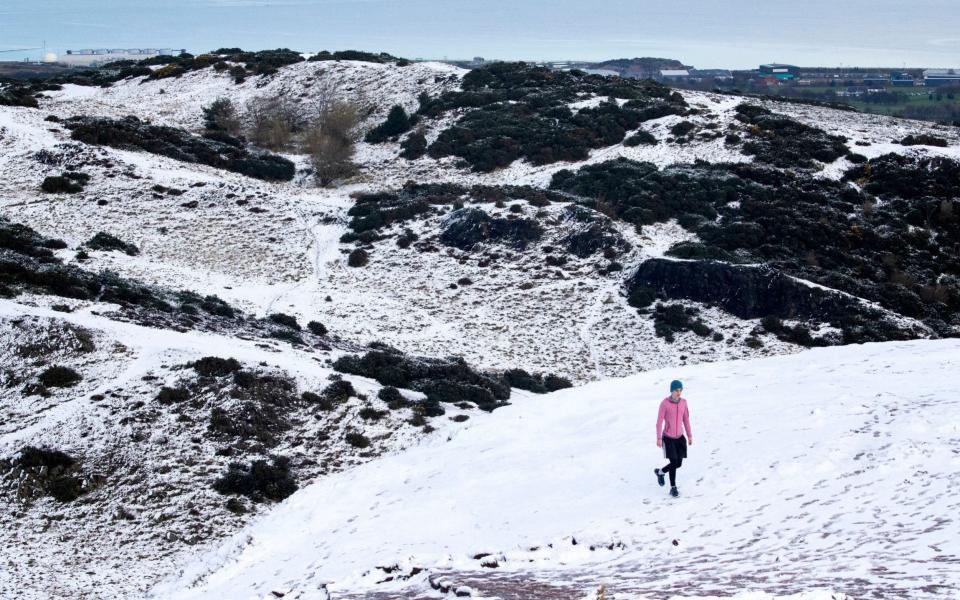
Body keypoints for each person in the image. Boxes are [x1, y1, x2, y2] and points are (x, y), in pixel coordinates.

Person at [655, 379, 693, 498]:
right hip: (668, 438)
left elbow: (686, 420)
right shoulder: (664, 404)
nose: (679, 392)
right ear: (672, 390)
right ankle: (673, 488)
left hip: (680, 437)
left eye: (680, 390)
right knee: (674, 462)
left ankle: (660, 472)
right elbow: (659, 422)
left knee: (679, 464)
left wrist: (689, 435)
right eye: (676, 390)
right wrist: (659, 438)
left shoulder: (684, 403)